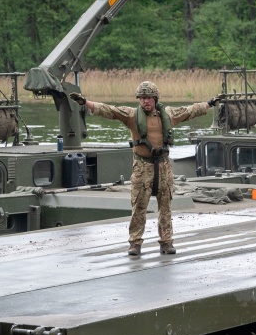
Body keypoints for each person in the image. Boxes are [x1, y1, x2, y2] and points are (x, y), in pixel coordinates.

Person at [70, 81, 224, 256]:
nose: (146, 101)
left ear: (155, 99)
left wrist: (210, 103)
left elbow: (190, 111)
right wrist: (85, 102)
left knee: (165, 207)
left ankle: (166, 242)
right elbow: (108, 110)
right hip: (142, 167)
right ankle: (135, 243)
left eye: (149, 98)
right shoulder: (131, 115)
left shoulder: (168, 114)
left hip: (164, 167)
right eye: (142, 98)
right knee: (138, 207)